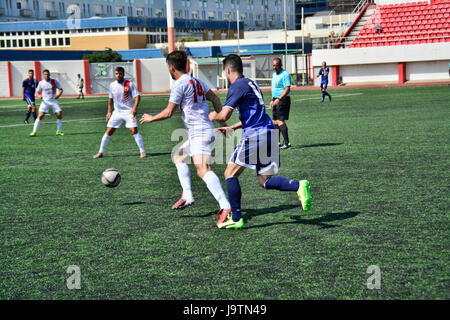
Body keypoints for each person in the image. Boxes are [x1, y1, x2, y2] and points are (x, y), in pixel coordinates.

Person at [209, 54, 312, 230]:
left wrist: (213, 115)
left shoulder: (237, 86)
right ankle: (298, 185)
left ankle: (237, 217)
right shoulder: (250, 83)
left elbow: (223, 114)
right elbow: (254, 115)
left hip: (255, 135)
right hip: (269, 132)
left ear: (227, 70)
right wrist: (233, 127)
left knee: (230, 174)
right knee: (264, 180)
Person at [140, 50, 232, 219]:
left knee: (203, 169)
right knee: (179, 156)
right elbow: (216, 99)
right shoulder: (196, 81)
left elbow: (169, 112)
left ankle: (226, 206)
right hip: (204, 130)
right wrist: (222, 123)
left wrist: (151, 118)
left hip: (200, 133)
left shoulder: (180, 84)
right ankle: (187, 195)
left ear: (171, 67)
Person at [93, 67, 146, 159]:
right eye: (117, 74)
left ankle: (142, 151)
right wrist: (109, 112)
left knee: (134, 130)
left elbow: (137, 97)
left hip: (129, 112)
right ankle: (100, 152)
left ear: (123, 74)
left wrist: (134, 108)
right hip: (117, 112)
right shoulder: (112, 85)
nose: (118, 75)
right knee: (109, 131)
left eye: (120, 74)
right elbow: (110, 100)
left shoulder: (129, 84)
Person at [30, 70, 64, 137]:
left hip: (53, 101)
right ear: (43, 75)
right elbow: (37, 92)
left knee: (59, 114)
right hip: (45, 101)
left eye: (48, 74)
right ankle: (34, 131)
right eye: (45, 74)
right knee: (40, 116)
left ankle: (58, 131)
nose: (46, 75)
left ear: (49, 75)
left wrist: (58, 95)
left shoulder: (54, 81)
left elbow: (61, 89)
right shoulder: (41, 83)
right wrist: (39, 96)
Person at [270, 58, 292, 150]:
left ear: (281, 65)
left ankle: (287, 143)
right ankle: (277, 142)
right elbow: (274, 88)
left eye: (276, 65)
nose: (274, 67)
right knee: (275, 121)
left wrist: (279, 99)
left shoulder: (285, 74)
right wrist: (272, 99)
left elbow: (287, 89)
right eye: (273, 65)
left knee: (280, 121)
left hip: (283, 99)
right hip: (276, 99)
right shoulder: (274, 74)